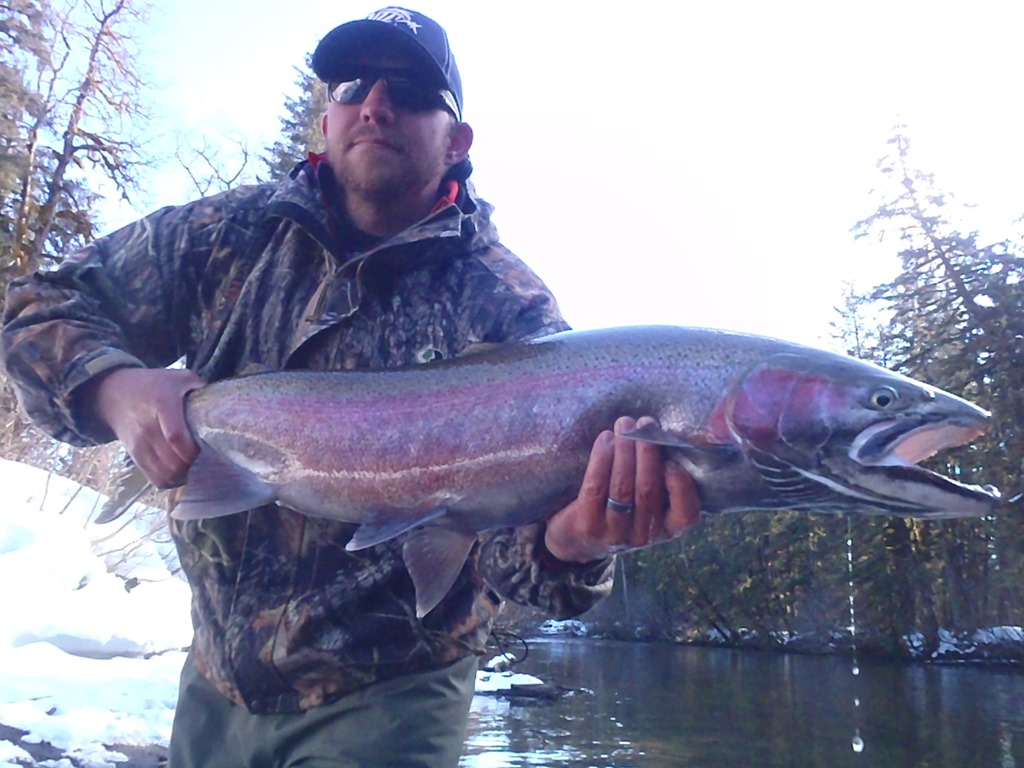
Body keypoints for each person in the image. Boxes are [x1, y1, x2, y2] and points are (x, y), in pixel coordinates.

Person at [1, 7, 700, 767]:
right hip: (214, 680)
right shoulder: (223, 236)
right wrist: (117, 390)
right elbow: (38, 306)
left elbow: (518, 560)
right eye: (352, 85)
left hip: (395, 695)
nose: (376, 103)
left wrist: (574, 544)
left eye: (412, 90)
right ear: (327, 120)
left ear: (457, 140)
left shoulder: (512, 311)